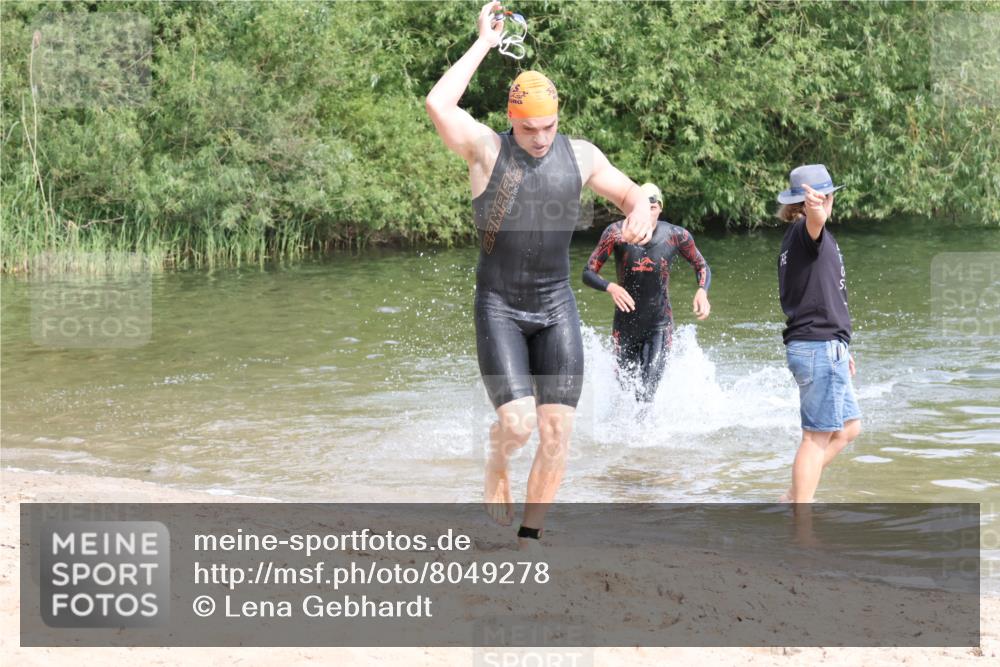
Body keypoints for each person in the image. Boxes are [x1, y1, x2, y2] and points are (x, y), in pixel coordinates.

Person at [424, 2, 654, 546]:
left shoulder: (580, 156)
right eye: (530, 129)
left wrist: (642, 208)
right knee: (518, 425)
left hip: (555, 308)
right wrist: (484, 41)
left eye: (549, 126)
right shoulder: (485, 150)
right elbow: (438, 102)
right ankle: (495, 463)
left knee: (556, 432)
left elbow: (633, 191)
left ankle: (530, 538)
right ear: (511, 121)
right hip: (500, 306)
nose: (541, 137)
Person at [775, 164, 862, 503]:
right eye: (829, 196)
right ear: (820, 199)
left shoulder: (799, 239)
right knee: (815, 438)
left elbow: (820, 293)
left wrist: (841, 344)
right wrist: (815, 211)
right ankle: (801, 519)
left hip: (827, 344)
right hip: (818, 347)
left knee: (849, 428)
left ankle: (794, 496)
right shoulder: (804, 232)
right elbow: (816, 222)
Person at [582, 183, 712, 403]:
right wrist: (610, 287)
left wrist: (702, 291)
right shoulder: (616, 233)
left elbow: (702, 266)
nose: (647, 212)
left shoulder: (676, 235)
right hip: (625, 326)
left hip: (658, 326)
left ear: (659, 208)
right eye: (642, 206)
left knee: (647, 392)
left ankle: (646, 437)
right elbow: (588, 272)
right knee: (625, 392)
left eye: (652, 206)